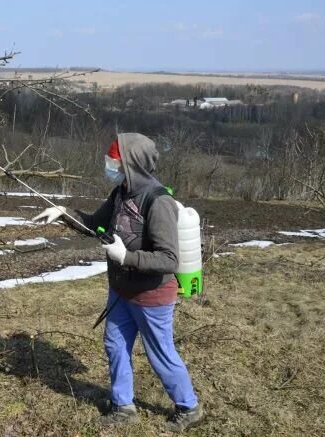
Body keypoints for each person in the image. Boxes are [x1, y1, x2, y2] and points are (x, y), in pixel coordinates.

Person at [33, 133, 203, 432]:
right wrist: (63, 213)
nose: (108, 164)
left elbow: (169, 260)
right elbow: (95, 225)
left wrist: (127, 257)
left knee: (160, 353)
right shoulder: (120, 193)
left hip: (152, 295)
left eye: (112, 160)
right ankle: (123, 406)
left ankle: (189, 407)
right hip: (121, 291)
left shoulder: (158, 201)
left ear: (130, 163)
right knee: (114, 345)